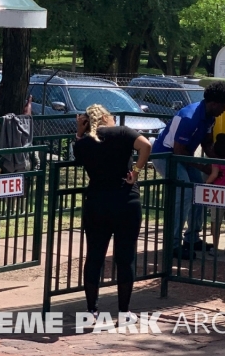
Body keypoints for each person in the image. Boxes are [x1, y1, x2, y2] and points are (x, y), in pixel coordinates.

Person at [73, 104, 152, 322]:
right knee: (125, 258)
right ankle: (124, 312)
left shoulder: (85, 142)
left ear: (87, 121)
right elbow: (145, 145)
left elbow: (78, 156)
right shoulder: (123, 132)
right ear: (108, 117)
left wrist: (79, 133)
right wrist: (135, 171)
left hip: (97, 202)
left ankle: (91, 310)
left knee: (94, 256)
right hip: (126, 201)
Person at [150, 81, 225, 256]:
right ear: (214, 103)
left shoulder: (210, 116)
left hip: (182, 154)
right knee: (185, 194)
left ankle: (192, 238)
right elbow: (179, 152)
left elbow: (207, 143)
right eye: (224, 105)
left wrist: (220, 162)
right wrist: (205, 168)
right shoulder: (190, 118)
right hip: (166, 155)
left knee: (200, 190)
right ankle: (172, 244)